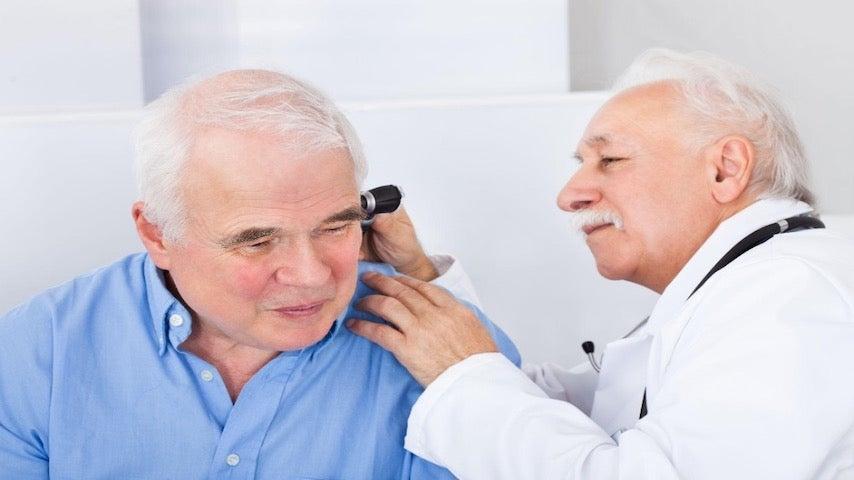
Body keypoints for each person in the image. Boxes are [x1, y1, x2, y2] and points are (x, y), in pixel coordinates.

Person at [348, 49, 854, 479]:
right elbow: (554, 412)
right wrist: (420, 277)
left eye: (609, 161)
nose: (569, 196)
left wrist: (465, 374)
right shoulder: (743, 290)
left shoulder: (787, 295)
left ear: (724, 170)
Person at [0, 69, 519, 479]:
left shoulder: (452, 357)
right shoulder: (34, 353)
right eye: (257, 241)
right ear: (158, 234)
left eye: (335, 228)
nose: (311, 275)